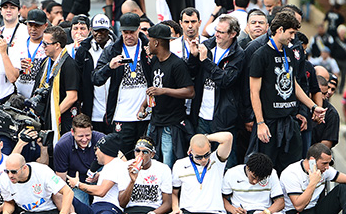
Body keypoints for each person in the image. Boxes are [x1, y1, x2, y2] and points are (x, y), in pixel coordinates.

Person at [248, 11, 326, 172]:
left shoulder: (289, 53)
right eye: (291, 33)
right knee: (265, 170)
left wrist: (313, 107)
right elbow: (254, 92)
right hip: (269, 123)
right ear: (280, 30)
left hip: (290, 123)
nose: (293, 37)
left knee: (292, 170)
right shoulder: (260, 55)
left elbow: (294, 84)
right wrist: (260, 123)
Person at [92, 13, 152, 157]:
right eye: (125, 32)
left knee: (144, 157)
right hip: (121, 115)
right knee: (123, 157)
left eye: (132, 32)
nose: (128, 36)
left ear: (138, 30)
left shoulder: (148, 48)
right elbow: (96, 79)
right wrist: (109, 67)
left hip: (146, 115)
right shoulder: (112, 50)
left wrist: (151, 58)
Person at [191, 15, 246, 168]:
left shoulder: (238, 54)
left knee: (226, 162)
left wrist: (205, 61)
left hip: (224, 116)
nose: (217, 35)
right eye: (216, 31)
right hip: (202, 113)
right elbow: (191, 72)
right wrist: (193, 56)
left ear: (232, 34)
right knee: (201, 158)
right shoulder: (206, 46)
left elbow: (226, 80)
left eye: (221, 32)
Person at [139, 23, 195, 167]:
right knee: (153, 161)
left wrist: (164, 90)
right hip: (155, 121)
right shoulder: (155, 60)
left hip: (171, 124)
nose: (148, 44)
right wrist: (143, 106)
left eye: (150, 40)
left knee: (167, 162)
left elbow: (190, 92)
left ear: (156, 42)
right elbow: (153, 88)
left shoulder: (177, 64)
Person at [33, 26, 79, 137]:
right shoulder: (45, 62)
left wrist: (53, 114)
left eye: (46, 44)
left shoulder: (69, 65)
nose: (43, 47)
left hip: (61, 120)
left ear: (57, 45)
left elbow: (72, 97)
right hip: (46, 118)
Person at [73, 14, 113, 134]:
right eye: (96, 31)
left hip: (114, 111)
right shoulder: (83, 50)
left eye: (103, 31)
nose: (99, 34)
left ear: (109, 31)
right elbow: (78, 79)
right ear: (91, 30)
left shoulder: (117, 48)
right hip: (92, 109)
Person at [9, 9, 48, 99]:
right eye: (30, 25)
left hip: (39, 96)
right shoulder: (18, 44)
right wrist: (18, 66)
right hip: (18, 96)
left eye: (37, 26)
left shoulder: (48, 45)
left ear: (45, 26)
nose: (33, 29)